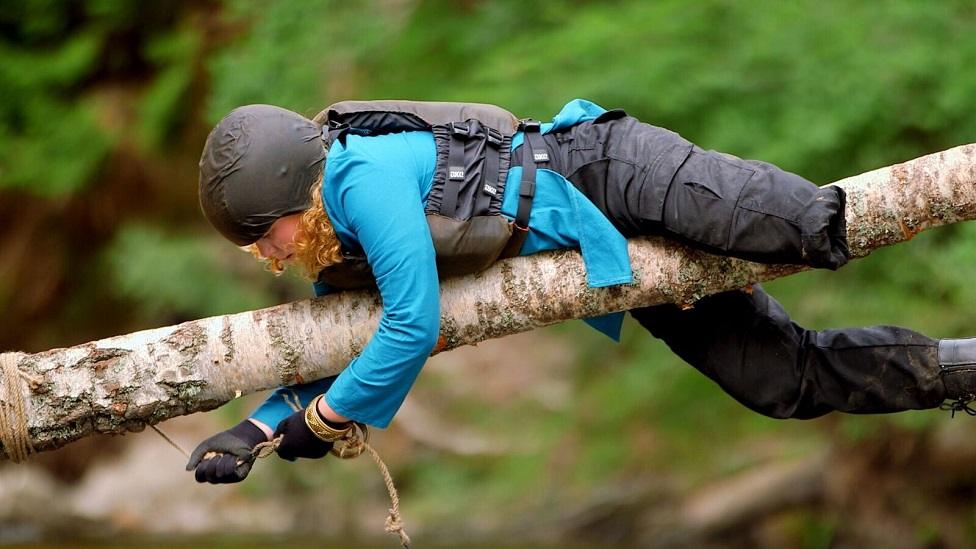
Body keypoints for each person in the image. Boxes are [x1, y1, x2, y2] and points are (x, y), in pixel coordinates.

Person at [186, 99, 976, 484]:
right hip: (610, 263)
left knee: (810, 222)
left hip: (606, 167)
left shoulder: (360, 178)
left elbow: (411, 323)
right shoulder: (335, 242)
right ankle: (963, 372)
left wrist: (325, 420)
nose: (263, 252)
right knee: (780, 381)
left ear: (299, 192)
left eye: (263, 233)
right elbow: (343, 341)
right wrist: (253, 431)